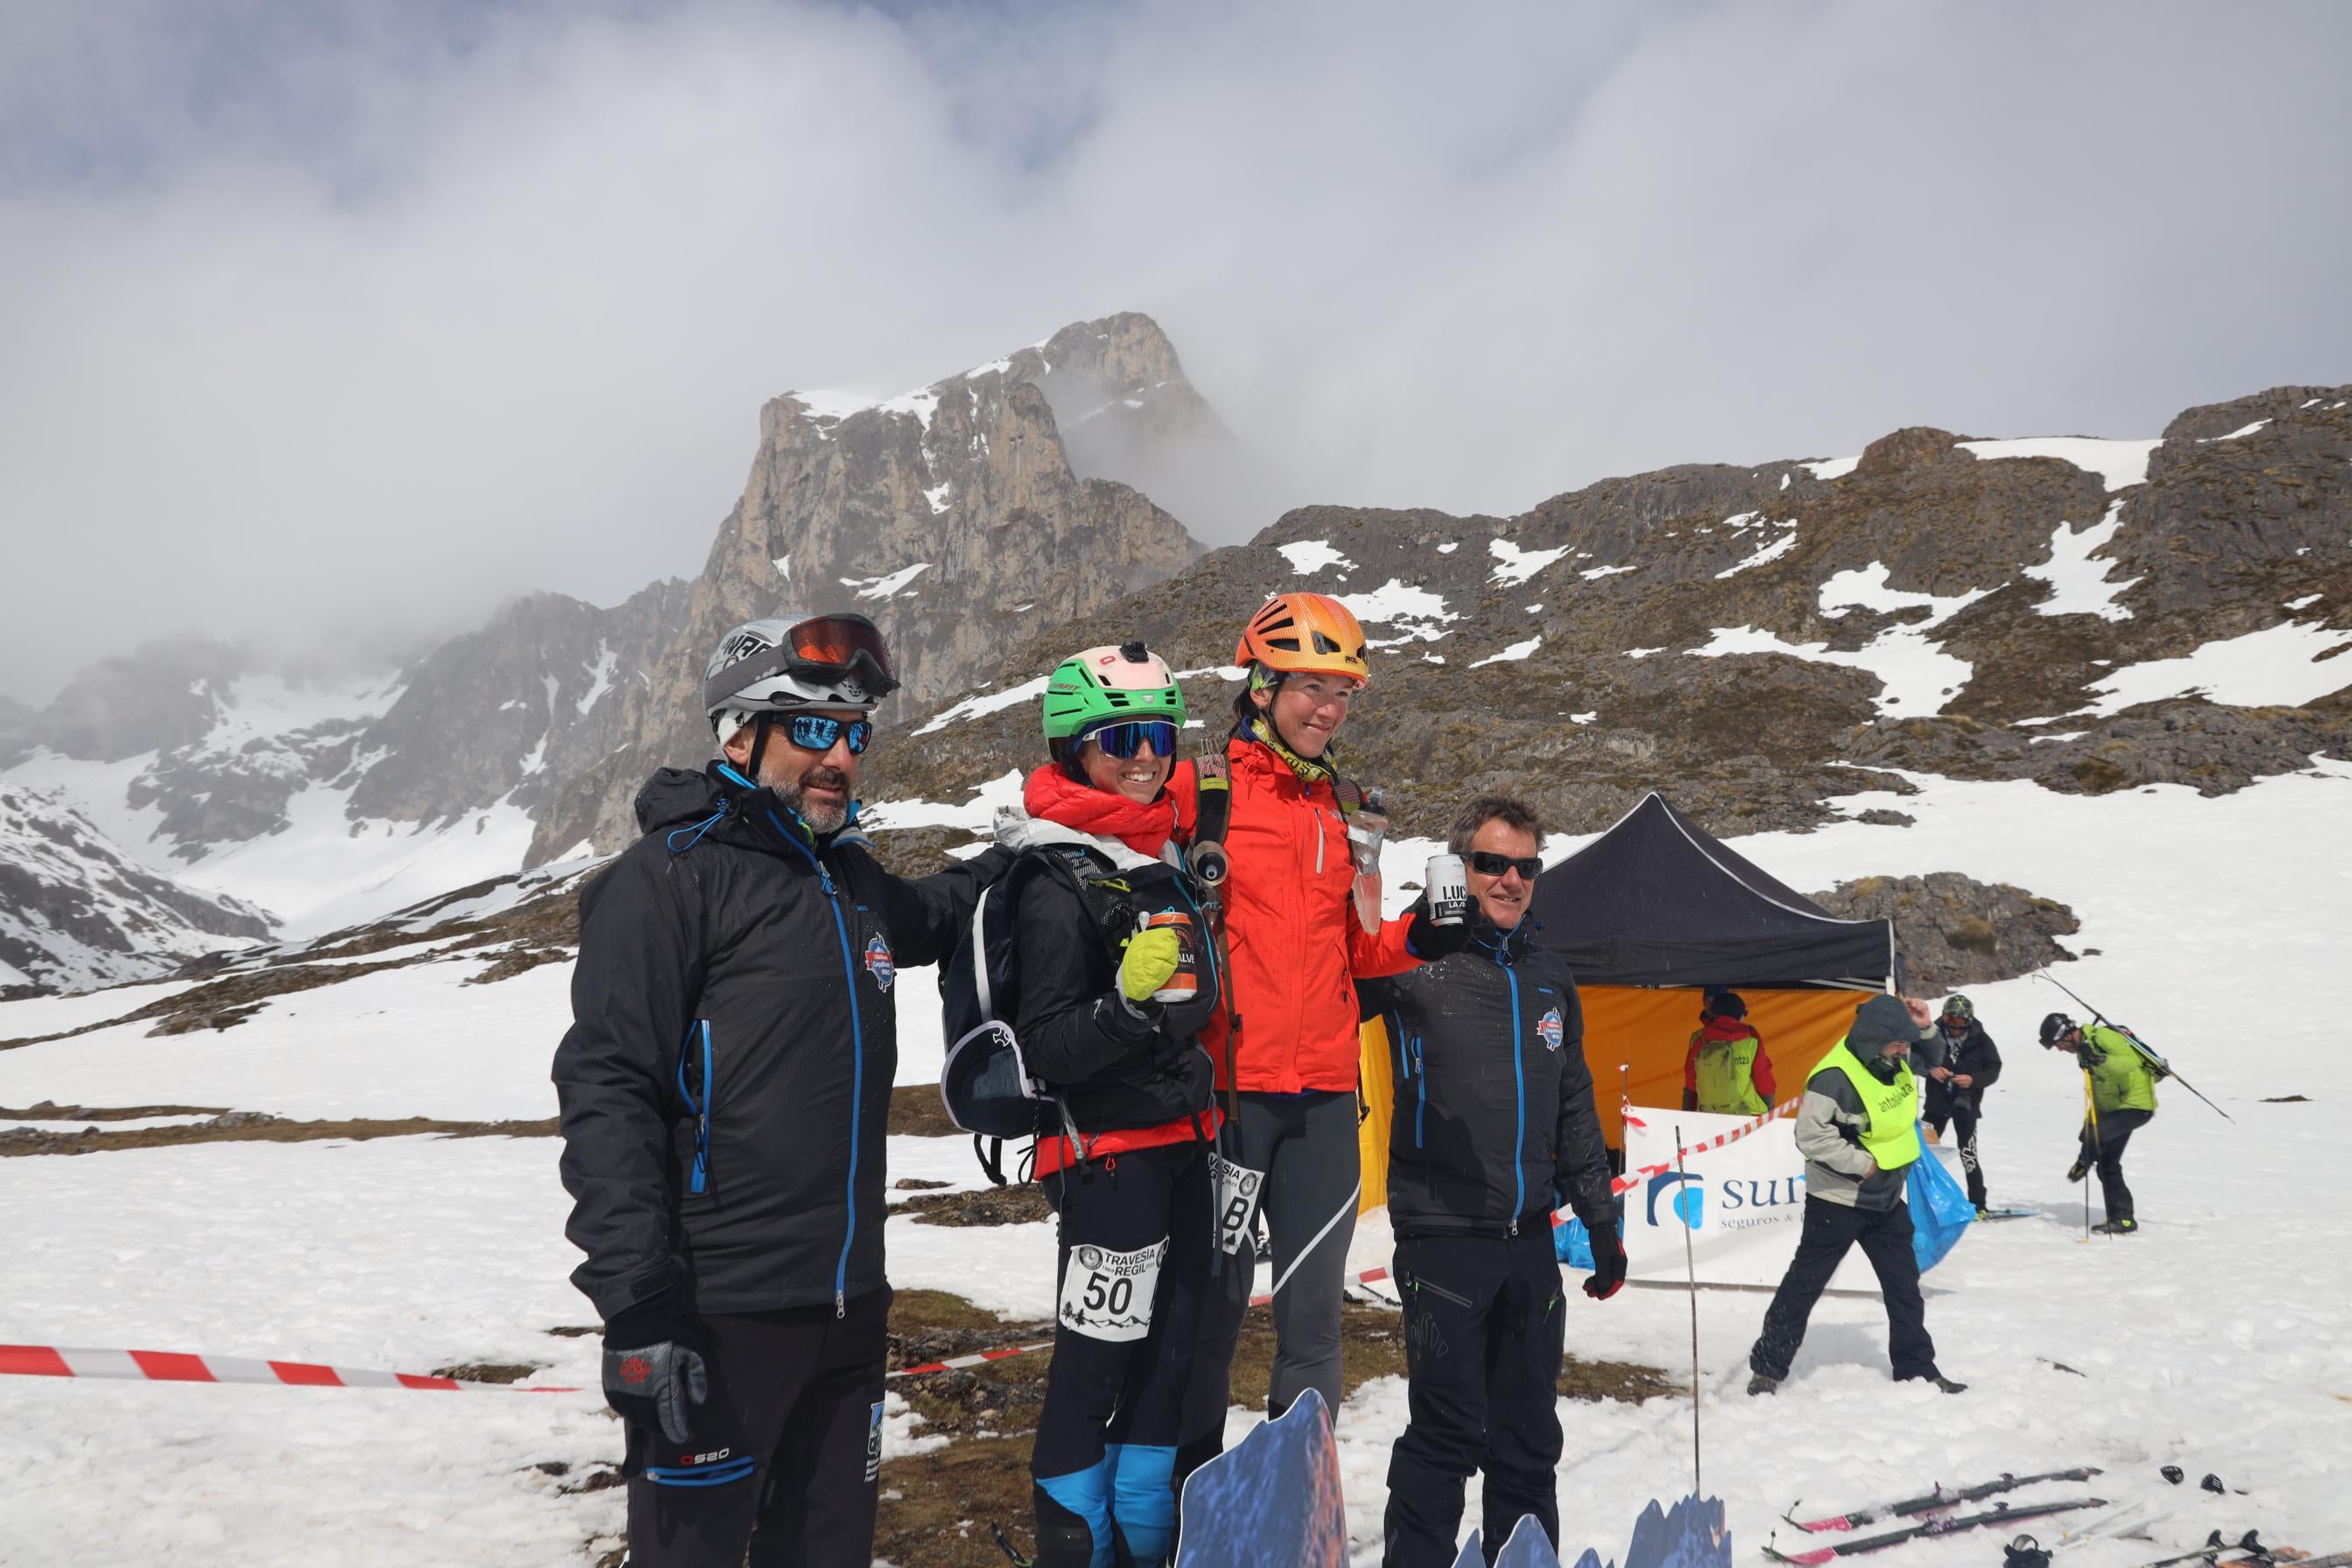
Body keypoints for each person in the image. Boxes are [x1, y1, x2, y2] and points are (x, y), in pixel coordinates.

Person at [551, 612, 1013, 1568]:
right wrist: (639, 1308)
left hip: (850, 1306)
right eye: (811, 727)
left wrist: (1025, 856)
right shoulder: (667, 881)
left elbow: (932, 913)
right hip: (718, 1314)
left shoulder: (849, 880)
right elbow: (608, 1088)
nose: (839, 754)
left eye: (854, 732)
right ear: (738, 733)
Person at [1168, 592, 1465, 1494]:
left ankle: (1292, 1507)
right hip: (1230, 1094)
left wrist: (1428, 931)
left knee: (1312, 1321)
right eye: (1309, 687)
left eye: (1343, 691)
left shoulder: (1348, 806)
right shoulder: (1201, 786)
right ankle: (1188, 1505)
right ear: (1259, 686)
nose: (1328, 708)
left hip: (1328, 1100)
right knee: (1211, 1312)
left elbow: (1366, 945)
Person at [993, 642, 1222, 1568]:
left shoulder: (1159, 855)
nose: (1145, 757)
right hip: (1109, 1157)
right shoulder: (1054, 876)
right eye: (1120, 737)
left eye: (1159, 736)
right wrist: (1125, 1004)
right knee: (1095, 1370)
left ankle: (1142, 1554)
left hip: (1184, 1147)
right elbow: (1045, 1045)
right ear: (1071, 748)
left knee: (1170, 1363)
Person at [1356, 796, 1622, 1568]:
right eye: (1491, 864)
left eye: (1525, 867)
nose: (1510, 880)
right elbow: (1335, 998)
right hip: (1443, 1237)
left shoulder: (1549, 973)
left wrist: (1600, 1224)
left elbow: (1574, 1100)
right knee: (1447, 1434)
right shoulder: (1413, 955)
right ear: (1457, 868)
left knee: (1530, 1440)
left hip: (1531, 1240)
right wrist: (1397, 924)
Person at [1746, 993, 1966, 1397]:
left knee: (1903, 1286)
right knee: (1804, 1285)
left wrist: (1924, 1027)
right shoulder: (1833, 1078)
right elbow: (1810, 1136)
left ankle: (1917, 1369)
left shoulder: (1893, 1058)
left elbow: (1933, 1059)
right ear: (1873, 1040)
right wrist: (1863, 1165)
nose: (1904, 1051)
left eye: (1905, 1044)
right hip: (1838, 1201)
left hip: (1885, 1200)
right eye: (1897, 1043)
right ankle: (1768, 1369)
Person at [2041, 1012, 2160, 1235]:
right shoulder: (2082, 1054)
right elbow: (2097, 1093)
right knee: (2106, 1163)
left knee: (2094, 1138)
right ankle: (2123, 1220)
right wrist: (2089, 1123)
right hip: (2114, 1110)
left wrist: (2100, 1059)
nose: (2059, 1049)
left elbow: (2130, 1063)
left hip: (2136, 1106)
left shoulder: (2103, 1037)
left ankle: (2083, 1161)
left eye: (2057, 1044)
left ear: (2066, 1035)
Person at [1922, 995, 2003, 1215]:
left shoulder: (1981, 1039)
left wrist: (1973, 1080)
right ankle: (1925, 1204)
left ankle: (1978, 1205)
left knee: (1968, 1155)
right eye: (1951, 1020)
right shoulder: (1932, 1032)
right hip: (1936, 1104)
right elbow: (1914, 1057)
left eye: (1959, 1022)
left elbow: (1993, 1068)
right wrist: (1931, 1069)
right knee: (1924, 1154)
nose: (1955, 1026)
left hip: (1965, 1106)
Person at [1681, 989, 1776, 1116]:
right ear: (1740, 1015)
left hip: (1711, 1114)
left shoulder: (1699, 1042)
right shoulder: (1750, 1043)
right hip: (1748, 1114)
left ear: (1715, 1014)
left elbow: (1691, 1081)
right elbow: (1764, 1080)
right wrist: (1769, 1106)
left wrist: (1688, 1110)